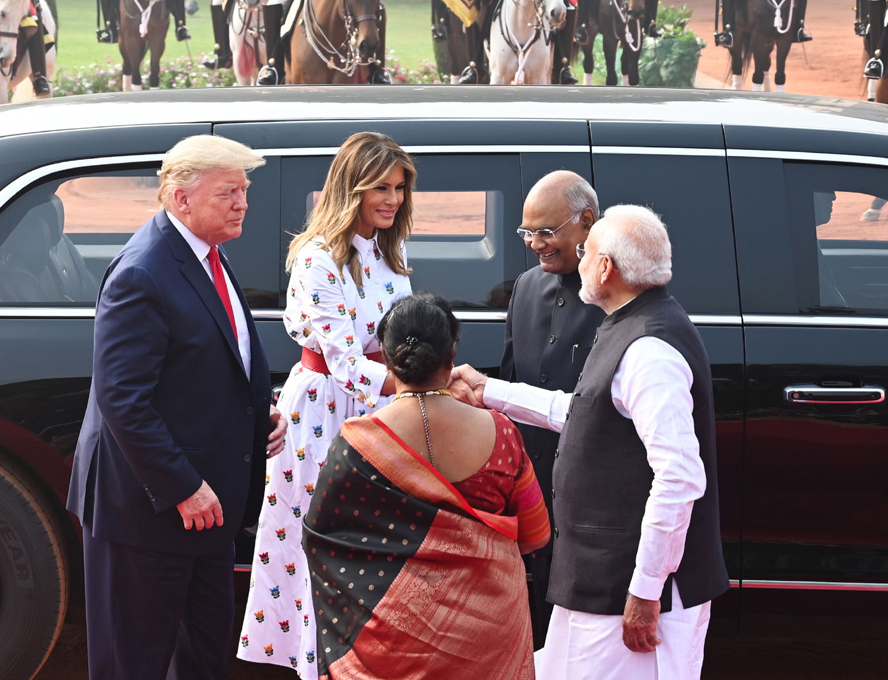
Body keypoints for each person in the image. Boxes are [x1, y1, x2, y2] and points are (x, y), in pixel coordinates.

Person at [452, 205, 729, 680]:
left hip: (628, 596)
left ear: (606, 268)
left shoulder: (649, 350)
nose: (578, 261)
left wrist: (645, 592)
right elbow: (585, 414)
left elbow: (680, 477)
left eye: (587, 251)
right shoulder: (631, 323)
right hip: (599, 584)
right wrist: (490, 392)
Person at [66, 134, 288, 680]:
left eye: (244, 190)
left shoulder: (207, 253)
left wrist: (261, 416)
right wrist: (183, 487)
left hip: (206, 508)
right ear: (181, 198)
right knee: (133, 663)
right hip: (148, 511)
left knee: (204, 658)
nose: (242, 204)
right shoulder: (143, 272)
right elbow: (123, 398)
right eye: (228, 192)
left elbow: (210, 363)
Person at [238, 131, 416, 678]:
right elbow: (342, 361)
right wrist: (422, 387)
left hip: (381, 415)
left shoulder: (393, 253)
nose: (392, 200)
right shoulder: (316, 258)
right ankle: (313, 665)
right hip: (321, 415)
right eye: (380, 188)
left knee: (375, 545)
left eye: (399, 189)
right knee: (317, 542)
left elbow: (401, 337)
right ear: (351, 187)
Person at [304, 294, 550, 679]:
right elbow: (536, 535)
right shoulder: (501, 433)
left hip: (390, 647)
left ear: (386, 359)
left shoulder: (355, 447)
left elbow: (322, 538)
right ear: (451, 356)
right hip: (487, 640)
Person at [502, 171, 604, 645]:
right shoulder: (524, 288)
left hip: (589, 516)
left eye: (546, 231)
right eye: (527, 233)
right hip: (530, 509)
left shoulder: (617, 297)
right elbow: (507, 389)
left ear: (586, 222)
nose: (534, 244)